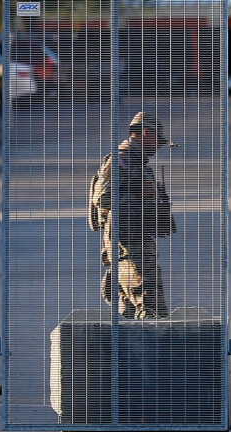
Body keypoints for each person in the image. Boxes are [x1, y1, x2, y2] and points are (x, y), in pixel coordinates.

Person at [89, 112, 172, 320]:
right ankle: (150, 351)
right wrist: (137, 193)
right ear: (145, 133)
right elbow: (102, 199)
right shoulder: (121, 159)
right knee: (150, 307)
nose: (158, 147)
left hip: (137, 242)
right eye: (156, 140)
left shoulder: (137, 162)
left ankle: (135, 350)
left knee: (138, 309)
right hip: (128, 244)